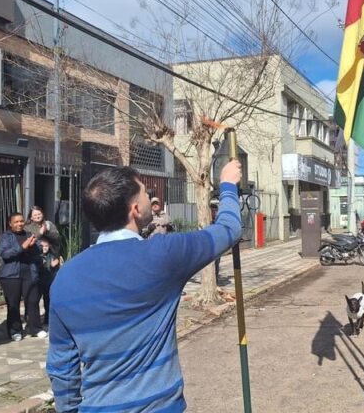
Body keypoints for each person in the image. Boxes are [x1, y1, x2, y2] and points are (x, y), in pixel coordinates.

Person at [47, 160, 242, 412]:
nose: (151, 197)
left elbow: (62, 368)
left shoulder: (64, 278)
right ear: (135, 209)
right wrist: (227, 184)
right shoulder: (164, 254)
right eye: (145, 192)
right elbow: (229, 229)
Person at [0, 213, 46, 341]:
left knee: (32, 301)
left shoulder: (29, 234)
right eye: (16, 222)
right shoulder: (6, 237)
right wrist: (23, 247)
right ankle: (15, 330)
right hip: (11, 275)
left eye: (21, 221)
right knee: (13, 303)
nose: (19, 224)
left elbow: (39, 250)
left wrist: (36, 246)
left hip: (29, 273)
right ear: (10, 223)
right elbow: (5, 254)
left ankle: (36, 328)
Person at [38, 237, 61, 325]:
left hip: (48, 283)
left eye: (46, 246)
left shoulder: (52, 256)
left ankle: (47, 320)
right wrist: (49, 266)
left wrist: (54, 266)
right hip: (39, 282)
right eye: (42, 246)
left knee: (48, 302)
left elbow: (55, 271)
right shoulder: (37, 256)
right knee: (34, 302)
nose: (44, 248)